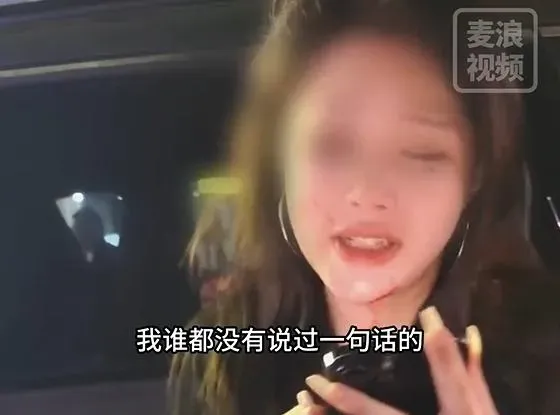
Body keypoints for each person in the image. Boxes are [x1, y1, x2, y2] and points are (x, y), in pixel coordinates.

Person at [170, 0, 560, 414]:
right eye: (333, 144)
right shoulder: (220, 359)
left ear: (474, 175)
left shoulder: (545, 362)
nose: (366, 192)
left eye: (419, 153)